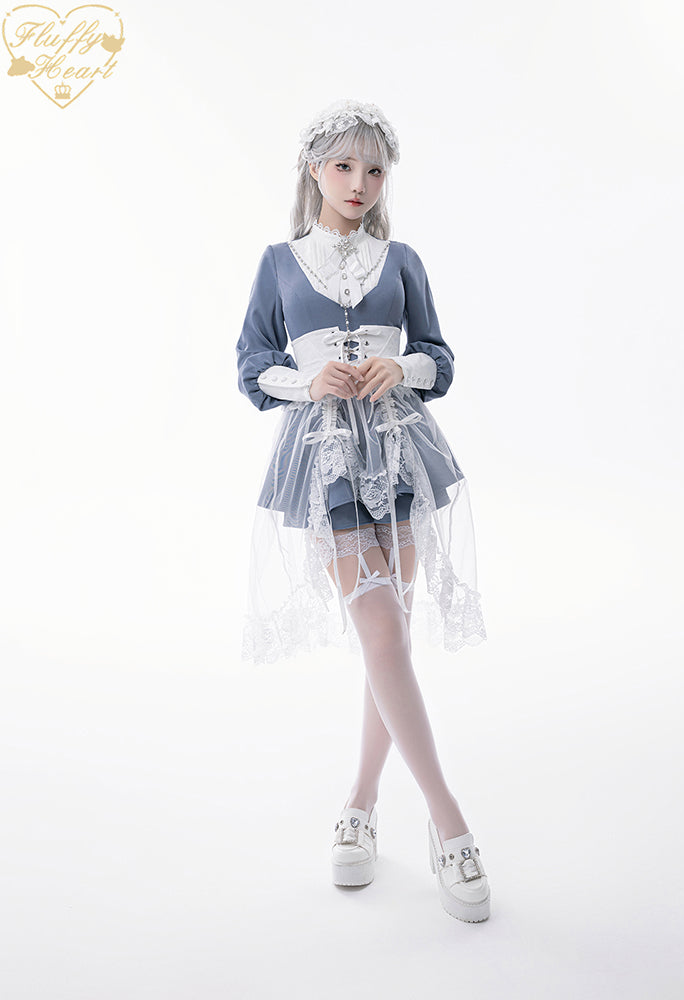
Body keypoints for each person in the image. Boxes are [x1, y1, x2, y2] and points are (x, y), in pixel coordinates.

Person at [235, 99, 490, 922]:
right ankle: (450, 823)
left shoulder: (402, 259)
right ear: (315, 169)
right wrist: (307, 380)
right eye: (343, 165)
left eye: (374, 169)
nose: (359, 182)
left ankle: (360, 802)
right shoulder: (279, 262)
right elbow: (251, 364)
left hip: (402, 452)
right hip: (325, 462)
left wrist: (402, 368)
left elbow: (439, 356)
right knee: (380, 630)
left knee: (393, 640)